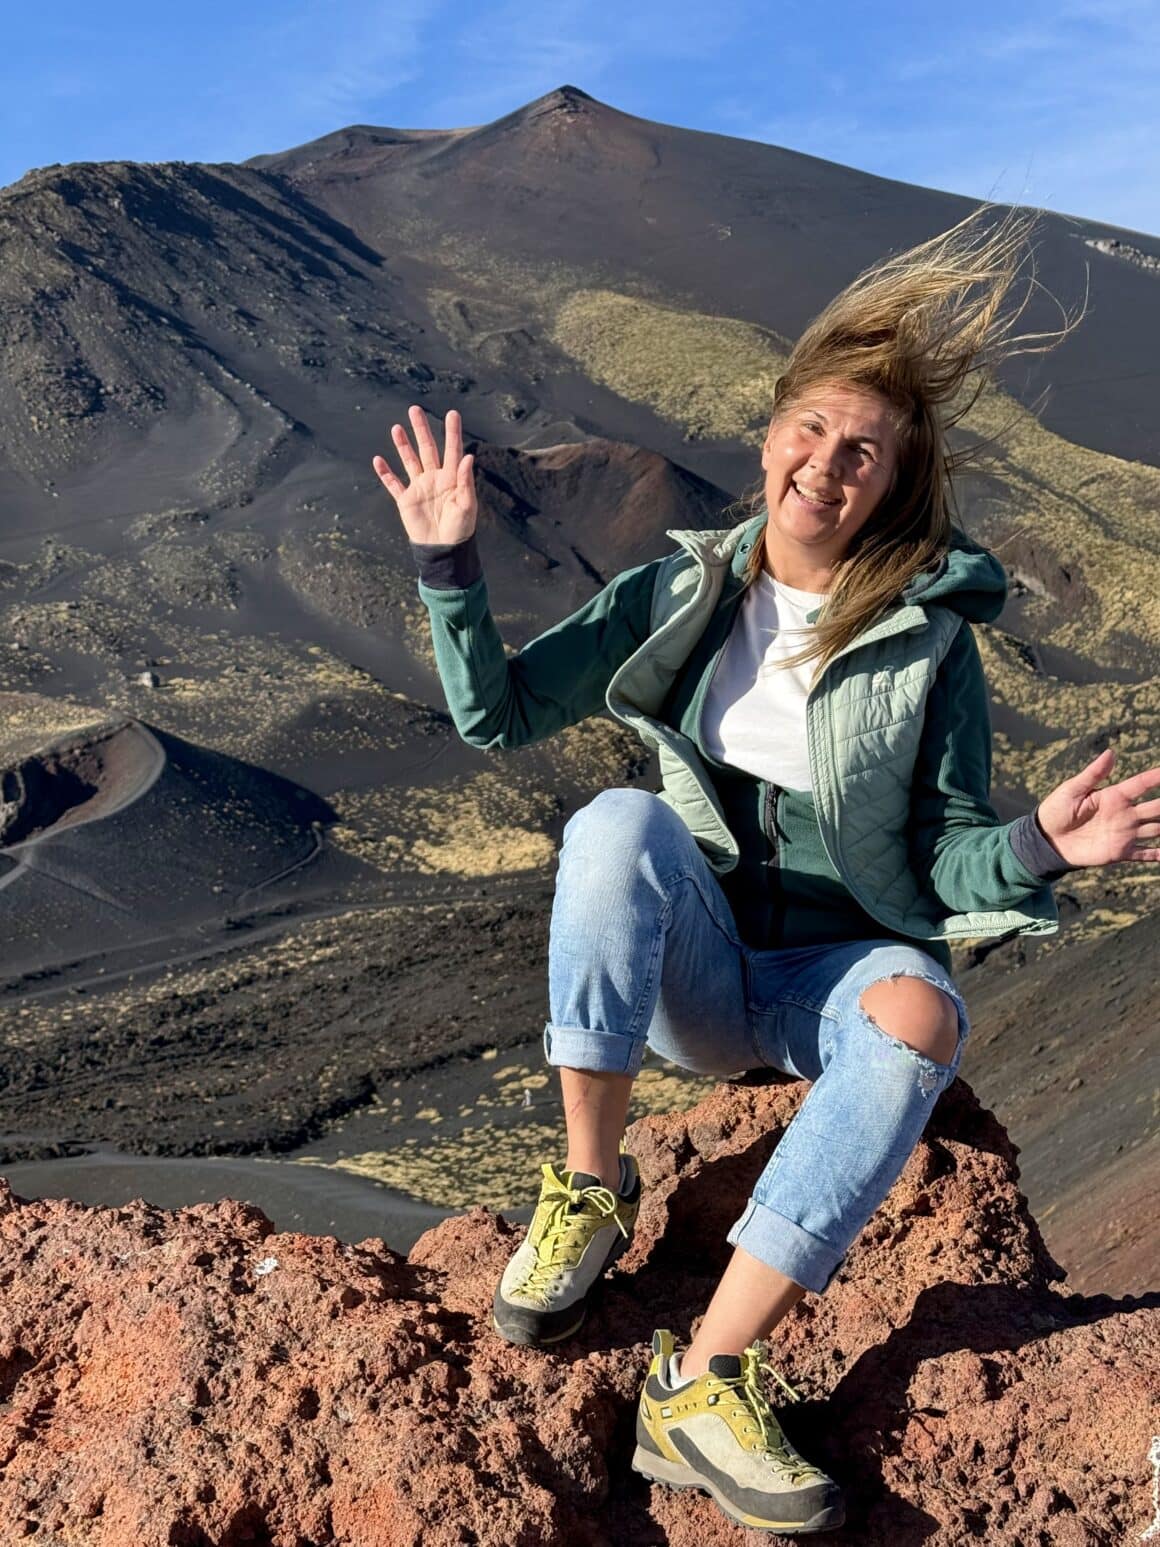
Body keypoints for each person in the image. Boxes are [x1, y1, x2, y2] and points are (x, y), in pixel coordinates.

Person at [372, 208, 1160, 1536]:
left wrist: (1034, 848)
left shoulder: (927, 650)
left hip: (832, 979)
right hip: (701, 970)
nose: (828, 465)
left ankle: (705, 1376)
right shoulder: (682, 594)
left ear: (891, 482)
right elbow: (499, 714)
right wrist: (448, 566)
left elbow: (941, 854)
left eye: (864, 452)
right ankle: (589, 1184)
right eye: (813, 431)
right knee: (616, 826)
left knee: (924, 1010)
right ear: (769, 437)